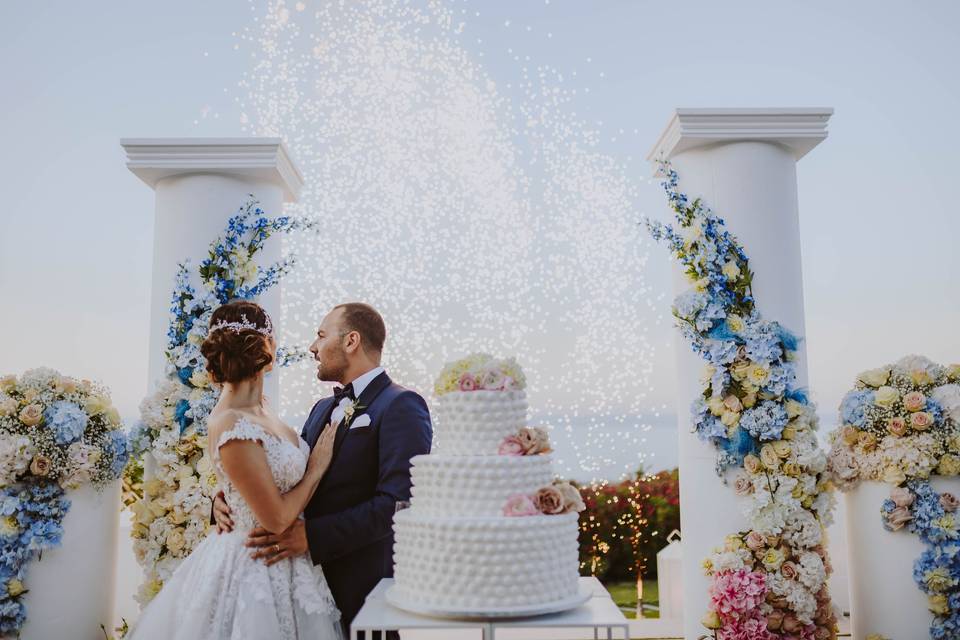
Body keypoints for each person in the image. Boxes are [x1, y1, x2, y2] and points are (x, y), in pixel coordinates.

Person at [214, 302, 433, 638]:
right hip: (297, 588)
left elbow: (398, 503)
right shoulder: (320, 409)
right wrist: (220, 499)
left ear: (351, 341)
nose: (313, 347)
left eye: (320, 335)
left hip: (360, 588)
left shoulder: (401, 405)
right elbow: (285, 473)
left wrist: (313, 537)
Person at [129, 299, 343, 639]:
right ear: (267, 350)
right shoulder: (230, 422)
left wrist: (225, 491)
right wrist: (316, 467)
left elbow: (257, 475)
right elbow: (275, 519)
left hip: (288, 565)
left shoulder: (263, 410)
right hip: (253, 567)